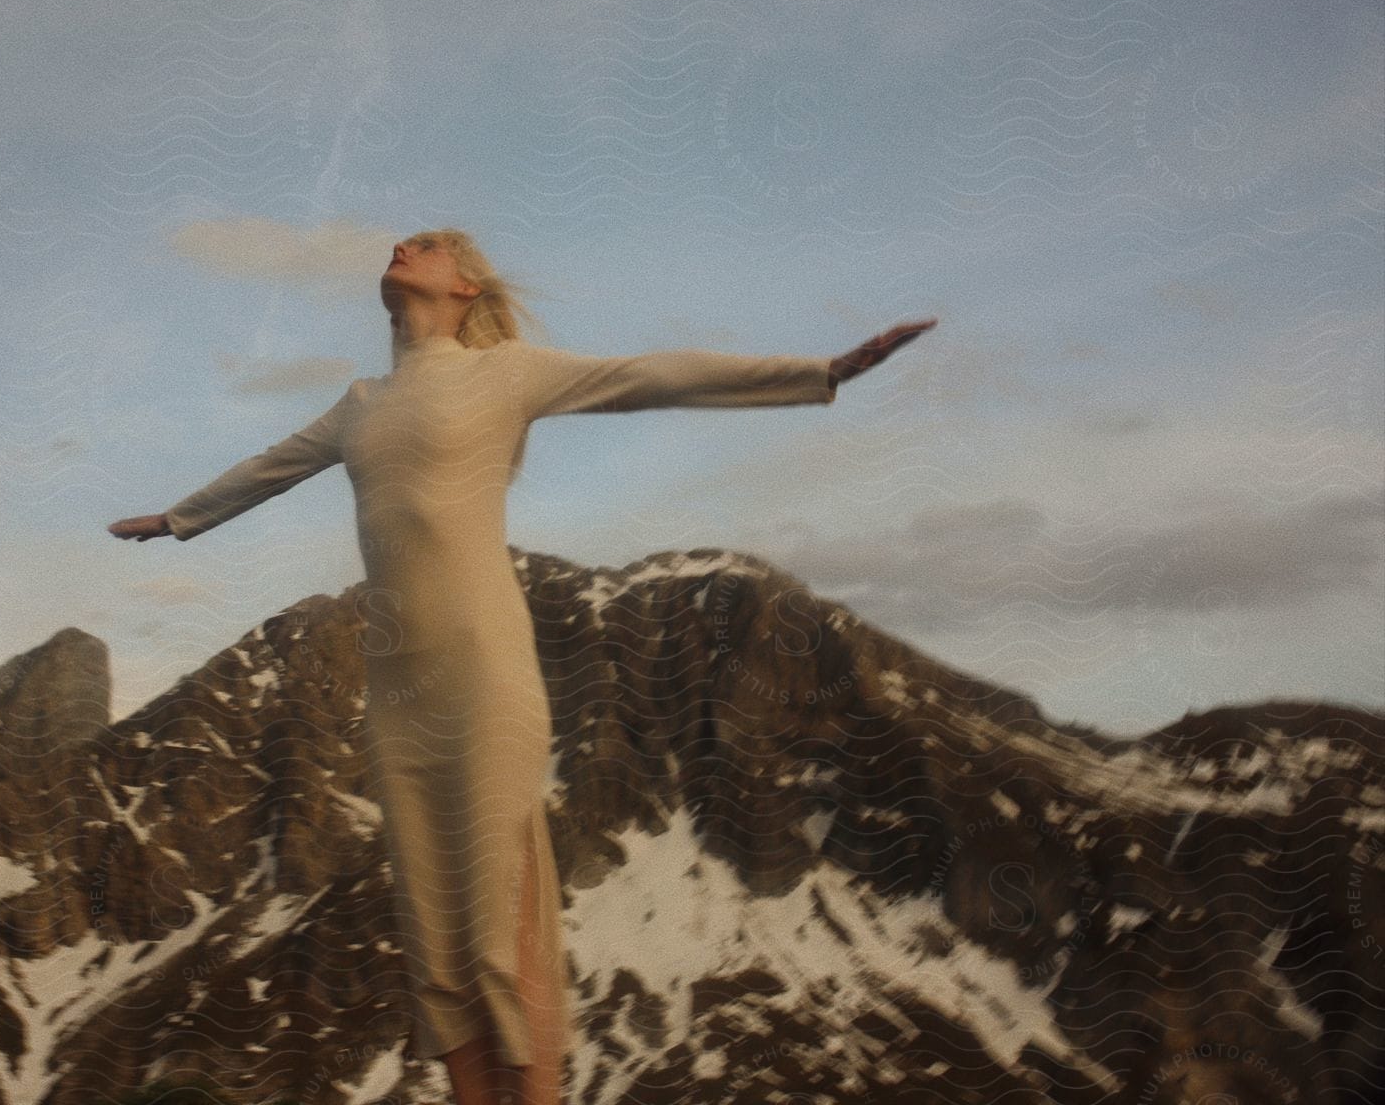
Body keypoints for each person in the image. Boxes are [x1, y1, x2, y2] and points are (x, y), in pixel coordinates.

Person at [110, 229, 934, 1105]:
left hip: (483, 665)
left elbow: (652, 375)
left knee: (500, 901)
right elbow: (270, 467)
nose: (402, 246)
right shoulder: (361, 402)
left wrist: (820, 374)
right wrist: (177, 519)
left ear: (466, 288)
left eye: (425, 245)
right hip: (400, 688)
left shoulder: (506, 372)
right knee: (432, 920)